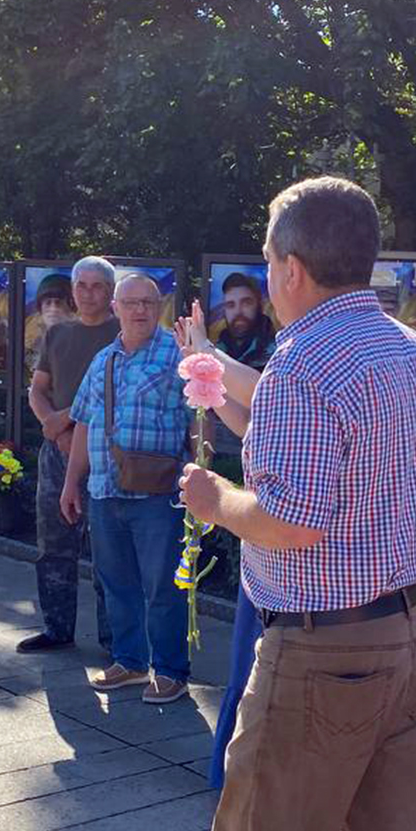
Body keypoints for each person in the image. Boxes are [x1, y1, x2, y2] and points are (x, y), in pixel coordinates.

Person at [98, 177, 416, 831]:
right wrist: (219, 378)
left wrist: (215, 501)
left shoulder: (303, 366)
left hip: (321, 656)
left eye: (266, 260)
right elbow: (319, 455)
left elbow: (292, 518)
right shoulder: (415, 355)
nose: (265, 275)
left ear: (290, 268)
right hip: (407, 639)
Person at [60, 272, 200, 702]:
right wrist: (71, 483)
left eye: (148, 302)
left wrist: (201, 475)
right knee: (115, 583)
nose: (140, 310)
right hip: (105, 489)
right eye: (131, 302)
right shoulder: (103, 359)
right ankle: (131, 662)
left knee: (164, 587)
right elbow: (84, 423)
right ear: (115, 308)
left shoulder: (179, 354)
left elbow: (200, 418)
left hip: (159, 493)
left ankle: (171, 670)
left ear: (159, 308)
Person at [172, 299, 265, 788]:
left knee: (256, 674)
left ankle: (240, 781)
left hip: (287, 559)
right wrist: (206, 380)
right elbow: (253, 422)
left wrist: (209, 353)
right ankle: (230, 777)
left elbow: (269, 391)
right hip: (266, 560)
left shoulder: (308, 363)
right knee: (244, 669)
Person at [19, 257, 117, 655]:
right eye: (82, 285)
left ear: (111, 291)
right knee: (53, 544)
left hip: (106, 455)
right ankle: (57, 628)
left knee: (108, 551)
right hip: (57, 454)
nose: (89, 294)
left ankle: (116, 640)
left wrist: (67, 421)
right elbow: (37, 390)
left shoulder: (123, 335)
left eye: (97, 286)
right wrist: (53, 426)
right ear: (73, 290)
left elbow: (117, 397)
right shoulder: (58, 334)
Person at [215, 271, 275, 368]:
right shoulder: (217, 348)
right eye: (231, 305)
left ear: (259, 305)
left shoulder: (276, 352)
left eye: (246, 303)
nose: (238, 312)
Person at [25, 270, 74, 375]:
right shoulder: (29, 336)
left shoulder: (79, 336)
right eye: (48, 303)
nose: (53, 309)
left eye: (59, 303)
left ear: (71, 306)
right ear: (40, 307)